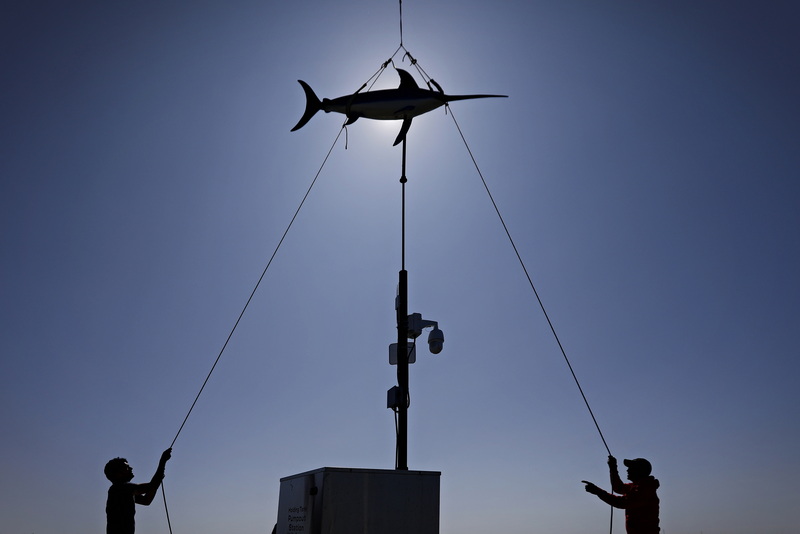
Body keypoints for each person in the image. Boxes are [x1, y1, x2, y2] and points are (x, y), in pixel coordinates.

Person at [582, 455, 660, 534]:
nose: (627, 470)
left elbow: (622, 502)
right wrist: (613, 467)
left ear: (639, 471)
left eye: (631, 468)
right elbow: (618, 487)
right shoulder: (635, 487)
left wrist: (597, 491)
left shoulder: (646, 489)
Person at [104, 448, 172, 534]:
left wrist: (157, 480)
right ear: (118, 473)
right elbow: (152, 486)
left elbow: (146, 500)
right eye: (127, 467)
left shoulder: (121, 491)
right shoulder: (120, 488)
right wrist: (162, 461)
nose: (131, 468)